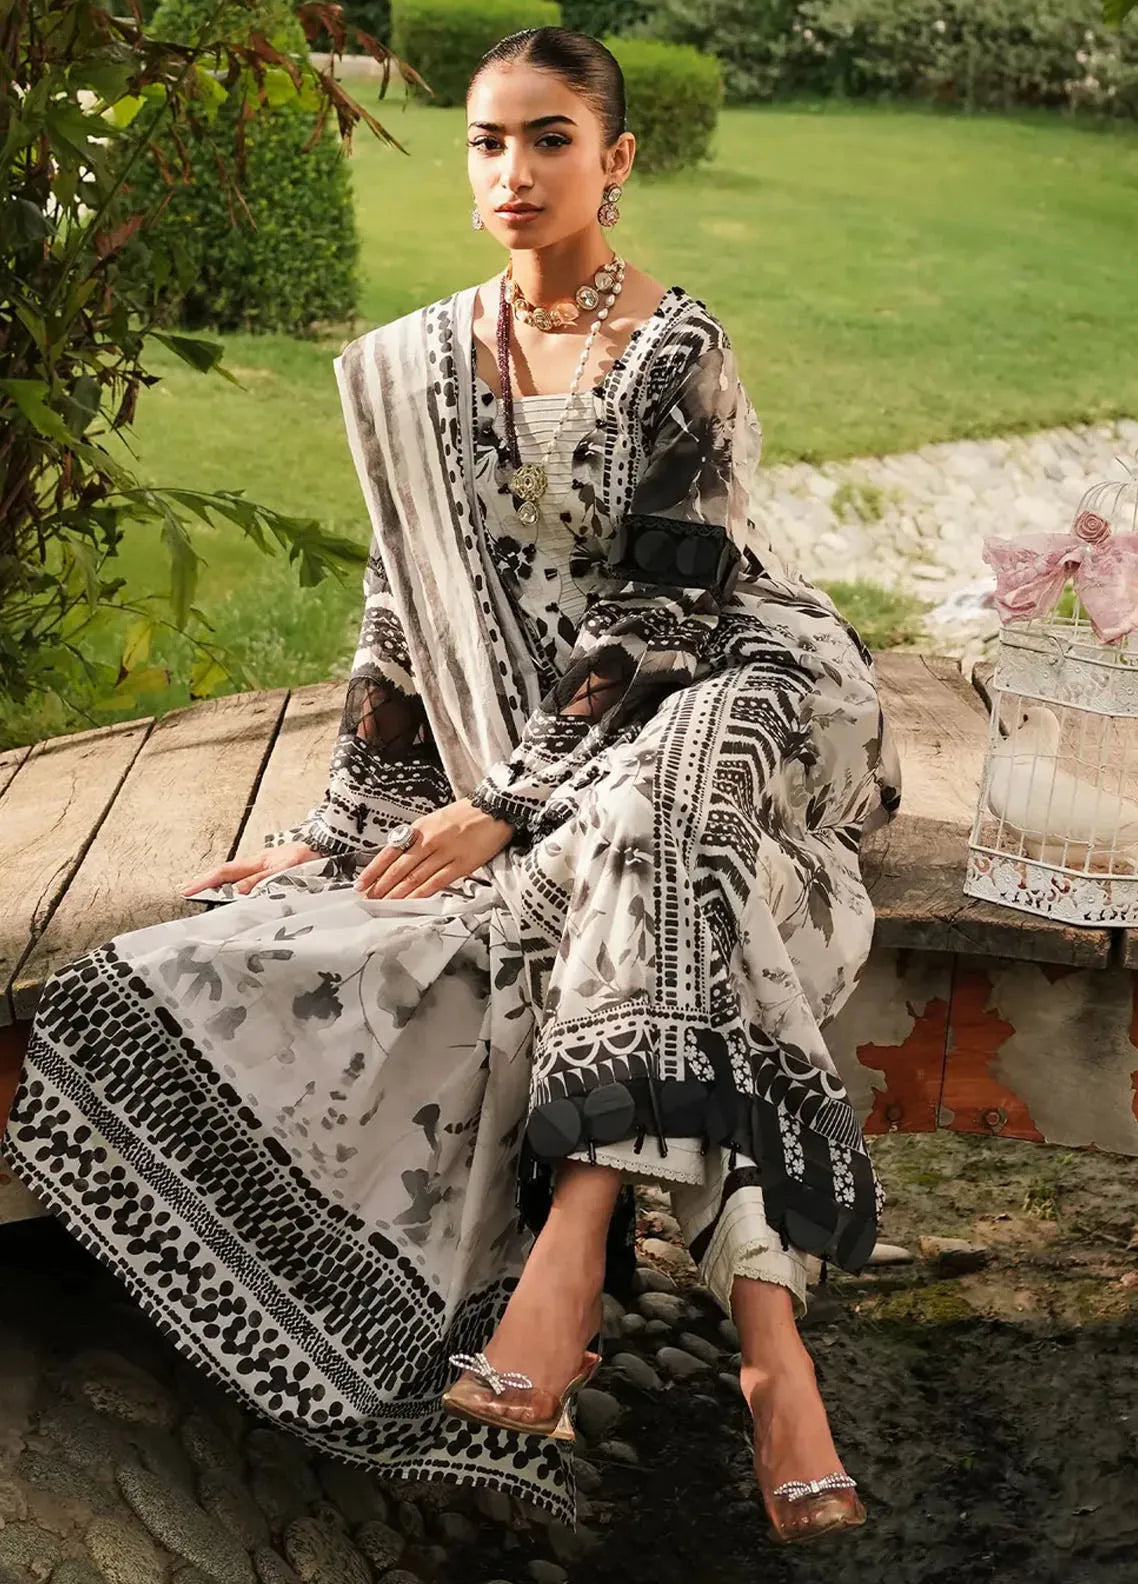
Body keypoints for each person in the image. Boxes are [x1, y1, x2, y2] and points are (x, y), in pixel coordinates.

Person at [3, 26, 899, 1545]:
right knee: (651, 840)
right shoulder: (418, 362)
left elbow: (667, 611)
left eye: (551, 139)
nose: (514, 171)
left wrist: (507, 804)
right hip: (566, 740)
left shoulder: (675, 351)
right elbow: (399, 616)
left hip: (742, 675)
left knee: (652, 791)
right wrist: (336, 831)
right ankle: (769, 1342)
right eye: (488, 141)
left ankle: (574, 1248)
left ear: (615, 160)